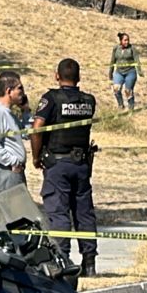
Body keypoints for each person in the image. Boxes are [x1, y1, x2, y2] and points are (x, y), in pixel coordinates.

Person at [29, 58, 99, 277]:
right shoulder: (89, 101)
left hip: (58, 164)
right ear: (78, 77)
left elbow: (37, 128)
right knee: (84, 214)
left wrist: (35, 156)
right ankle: (89, 263)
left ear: (57, 76)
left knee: (58, 213)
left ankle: (62, 261)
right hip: (81, 164)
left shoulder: (51, 99)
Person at [0, 71, 28, 195]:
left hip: (13, 172)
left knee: (20, 212)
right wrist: (12, 162)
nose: (23, 93)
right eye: (20, 88)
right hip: (6, 172)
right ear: (9, 91)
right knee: (13, 212)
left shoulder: (9, 113)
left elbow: (27, 133)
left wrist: (26, 111)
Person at [109, 32, 141, 110]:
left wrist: (140, 71)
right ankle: (120, 105)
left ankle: (131, 107)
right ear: (121, 41)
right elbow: (112, 61)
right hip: (119, 72)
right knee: (116, 89)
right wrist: (110, 72)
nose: (127, 42)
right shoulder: (116, 48)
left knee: (128, 91)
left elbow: (137, 60)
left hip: (130, 72)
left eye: (128, 40)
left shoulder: (132, 48)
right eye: (125, 40)